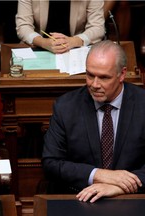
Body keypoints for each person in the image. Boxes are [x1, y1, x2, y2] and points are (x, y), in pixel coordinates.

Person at [42, 40, 145, 203]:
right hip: (80, 199)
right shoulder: (66, 106)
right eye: (90, 75)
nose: (94, 84)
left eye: (104, 77)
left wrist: (118, 187)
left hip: (133, 199)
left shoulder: (142, 104)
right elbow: (51, 163)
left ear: (122, 74)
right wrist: (98, 175)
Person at [15, 0, 105, 54]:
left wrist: (73, 41)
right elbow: (23, 25)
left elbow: (97, 27)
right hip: (37, 46)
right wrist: (43, 42)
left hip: (76, 49)